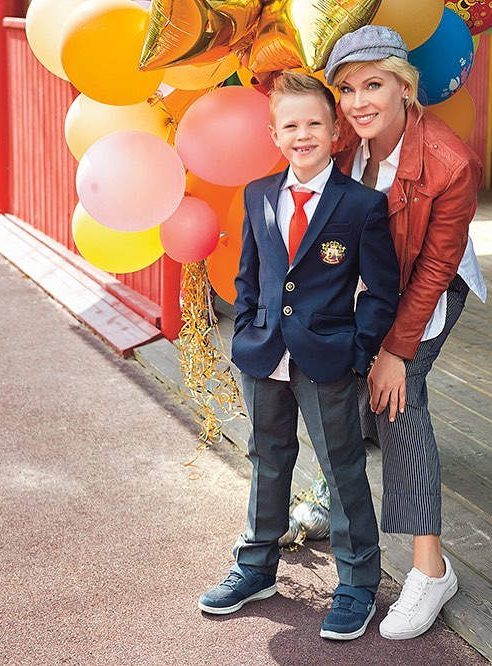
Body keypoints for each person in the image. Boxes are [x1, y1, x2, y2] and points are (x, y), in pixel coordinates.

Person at [198, 71, 400, 641]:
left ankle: (357, 583)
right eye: (291, 125)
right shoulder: (258, 194)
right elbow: (249, 275)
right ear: (274, 134)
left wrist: (358, 351)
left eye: (315, 123)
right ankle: (256, 567)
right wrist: (246, 330)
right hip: (263, 353)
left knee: (341, 466)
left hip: (328, 357)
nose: (303, 134)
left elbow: (381, 290)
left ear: (336, 131)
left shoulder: (362, 205)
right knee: (267, 458)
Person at [324, 25, 486, 640]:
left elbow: (436, 269)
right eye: (346, 89)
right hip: (369, 286)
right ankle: (332, 493)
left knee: (397, 397)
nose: (358, 101)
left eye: (373, 85)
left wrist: (395, 351)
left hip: (428, 287)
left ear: (405, 88)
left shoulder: (450, 162)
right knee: (334, 377)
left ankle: (430, 570)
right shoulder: (343, 140)